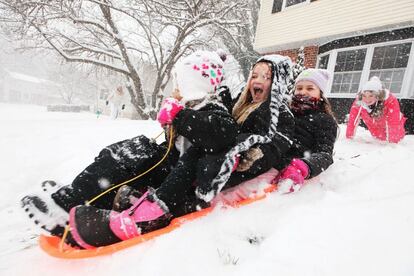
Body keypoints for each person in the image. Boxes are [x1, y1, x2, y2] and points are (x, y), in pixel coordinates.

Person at [68, 55, 297, 248]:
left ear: (278, 83)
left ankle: (151, 215)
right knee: (181, 156)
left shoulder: (281, 115)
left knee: (196, 154)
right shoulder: (241, 105)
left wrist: (246, 157)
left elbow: (273, 145)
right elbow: (224, 116)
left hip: (235, 168)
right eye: (254, 75)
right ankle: (139, 202)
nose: (258, 81)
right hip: (218, 161)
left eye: (267, 77)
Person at [21, 50, 237, 241]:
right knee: (121, 152)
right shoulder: (196, 105)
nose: (175, 88)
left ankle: (63, 208)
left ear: (195, 83)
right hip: (169, 166)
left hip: (175, 178)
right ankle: (75, 194)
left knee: (126, 162)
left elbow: (222, 133)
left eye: (180, 83)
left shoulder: (214, 108)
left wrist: (179, 116)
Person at [346, 76, 406, 143]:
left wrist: (393, 144)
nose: (367, 99)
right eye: (364, 96)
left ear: (378, 96)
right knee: (379, 138)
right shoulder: (358, 102)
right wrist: (349, 138)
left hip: (396, 133)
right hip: (376, 133)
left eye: (371, 96)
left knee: (394, 139)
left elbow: (393, 123)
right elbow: (352, 120)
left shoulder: (390, 101)